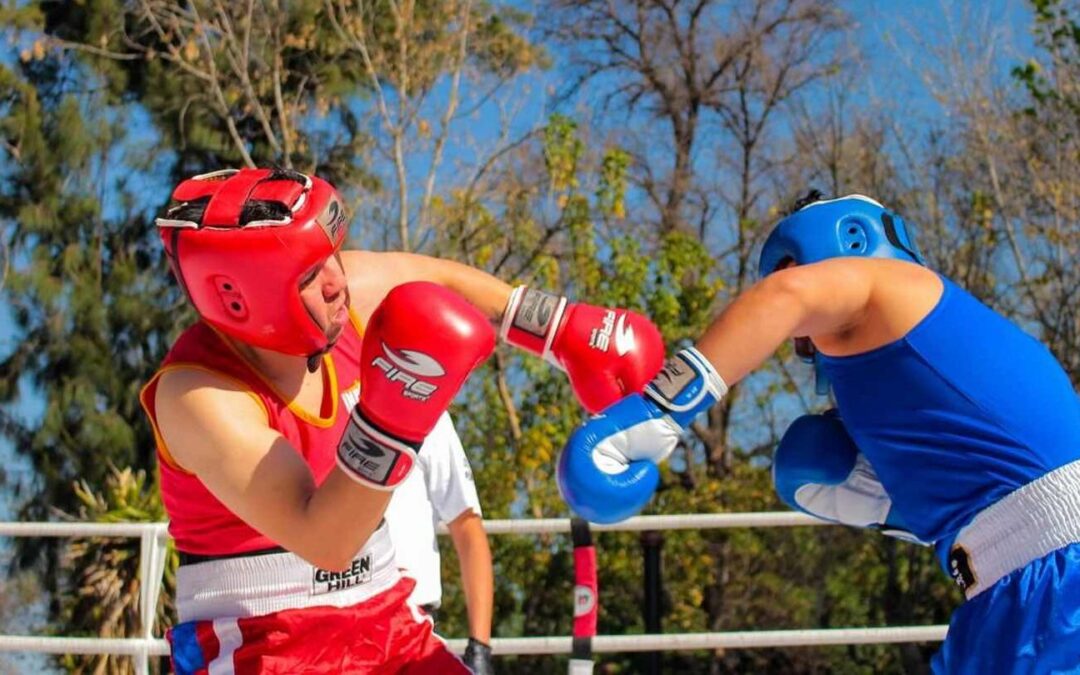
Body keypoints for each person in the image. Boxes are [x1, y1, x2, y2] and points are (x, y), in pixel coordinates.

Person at [140, 167, 665, 674]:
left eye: (332, 256)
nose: (336, 281)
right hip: (263, 643)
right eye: (309, 274)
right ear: (239, 297)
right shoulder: (198, 395)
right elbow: (325, 542)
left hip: (387, 618)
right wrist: (393, 420)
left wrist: (558, 327)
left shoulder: (345, 297)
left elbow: (437, 277)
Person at [556, 192, 1080, 673]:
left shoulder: (894, 290)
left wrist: (660, 410)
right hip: (1005, 597)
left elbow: (789, 295)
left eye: (788, 266)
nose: (799, 341)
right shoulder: (899, 380)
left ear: (849, 240)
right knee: (813, 460)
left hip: (1059, 582)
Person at [384, 412, 495, 674]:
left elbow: (467, 524)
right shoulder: (297, 401)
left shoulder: (425, 406)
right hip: (324, 626)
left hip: (412, 628)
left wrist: (480, 647)